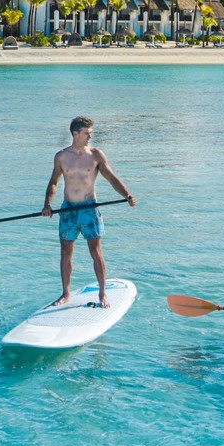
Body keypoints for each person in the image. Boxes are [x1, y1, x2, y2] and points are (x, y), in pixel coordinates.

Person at [42, 115, 135, 307]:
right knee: (65, 252)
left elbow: (111, 177)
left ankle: (102, 294)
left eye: (90, 133)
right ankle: (66, 294)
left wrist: (127, 195)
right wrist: (47, 205)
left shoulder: (96, 155)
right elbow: (53, 182)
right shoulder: (61, 156)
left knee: (96, 251)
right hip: (68, 210)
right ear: (75, 134)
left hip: (89, 209)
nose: (90, 137)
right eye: (86, 133)